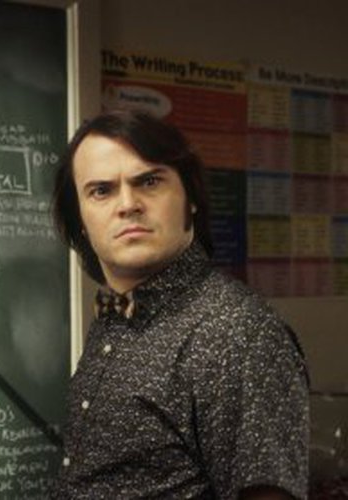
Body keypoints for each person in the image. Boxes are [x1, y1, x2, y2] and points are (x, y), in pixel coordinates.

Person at [50, 108, 309, 499]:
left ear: (191, 199)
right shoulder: (116, 315)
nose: (128, 204)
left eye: (149, 181)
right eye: (101, 190)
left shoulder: (235, 334)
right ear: (81, 220)